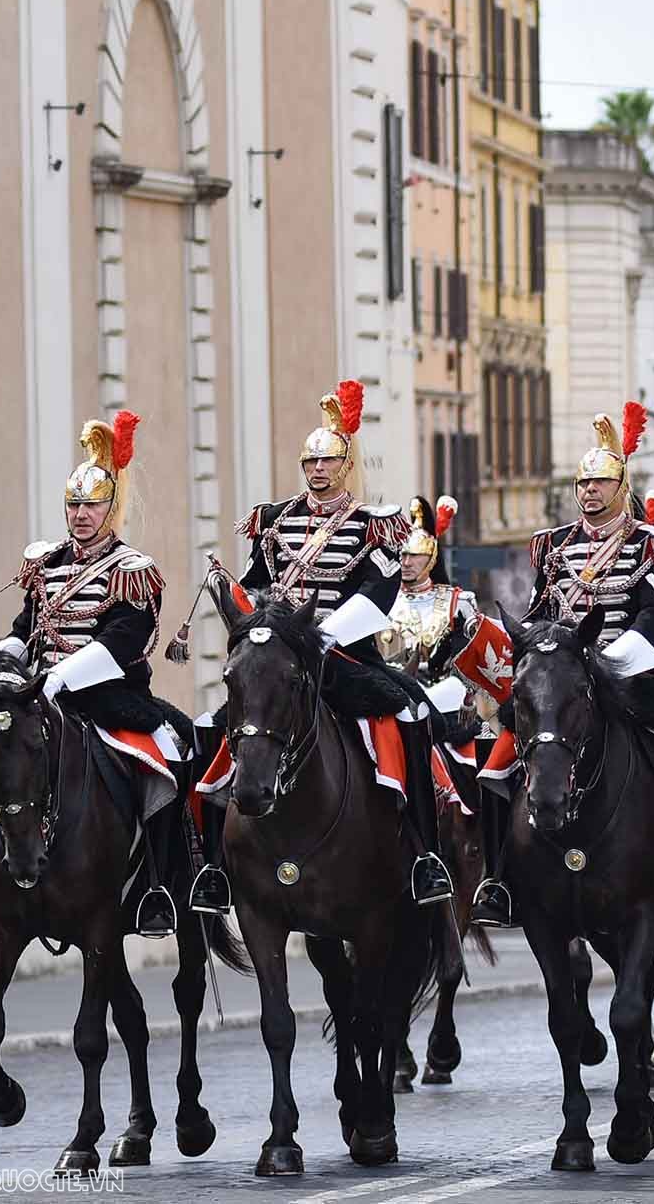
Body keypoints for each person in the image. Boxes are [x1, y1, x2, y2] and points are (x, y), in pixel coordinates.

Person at [0, 413, 188, 939]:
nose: (81, 514)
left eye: (91, 505)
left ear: (112, 507)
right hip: (36, 695)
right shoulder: (46, 564)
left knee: (170, 755)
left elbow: (121, 644)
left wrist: (57, 678)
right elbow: (28, 632)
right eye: (74, 504)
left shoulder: (133, 568)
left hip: (109, 696)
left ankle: (155, 887)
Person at [193, 381, 453, 912]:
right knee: (209, 730)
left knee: (409, 714)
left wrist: (319, 637)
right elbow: (256, 585)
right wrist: (239, 606)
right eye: (309, 461)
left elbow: (380, 594)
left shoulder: (373, 524)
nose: (317, 469)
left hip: (345, 659)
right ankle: (212, 868)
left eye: (327, 460)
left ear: (345, 463)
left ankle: (425, 855)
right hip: (279, 662)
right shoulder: (274, 520)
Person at [472, 403, 654, 927]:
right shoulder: (553, 545)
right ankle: (498, 878)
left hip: (630, 671)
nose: (589, 491)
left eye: (599, 482)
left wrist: (601, 665)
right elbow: (543, 610)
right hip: (563, 673)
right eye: (582, 483)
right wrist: (536, 651)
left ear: (620, 486)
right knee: (495, 757)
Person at [381, 495, 481, 682]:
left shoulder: (459, 602)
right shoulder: (381, 600)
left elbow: (474, 665)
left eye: (416, 556)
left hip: (443, 698)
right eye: (403, 555)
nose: (407, 563)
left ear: (432, 559)